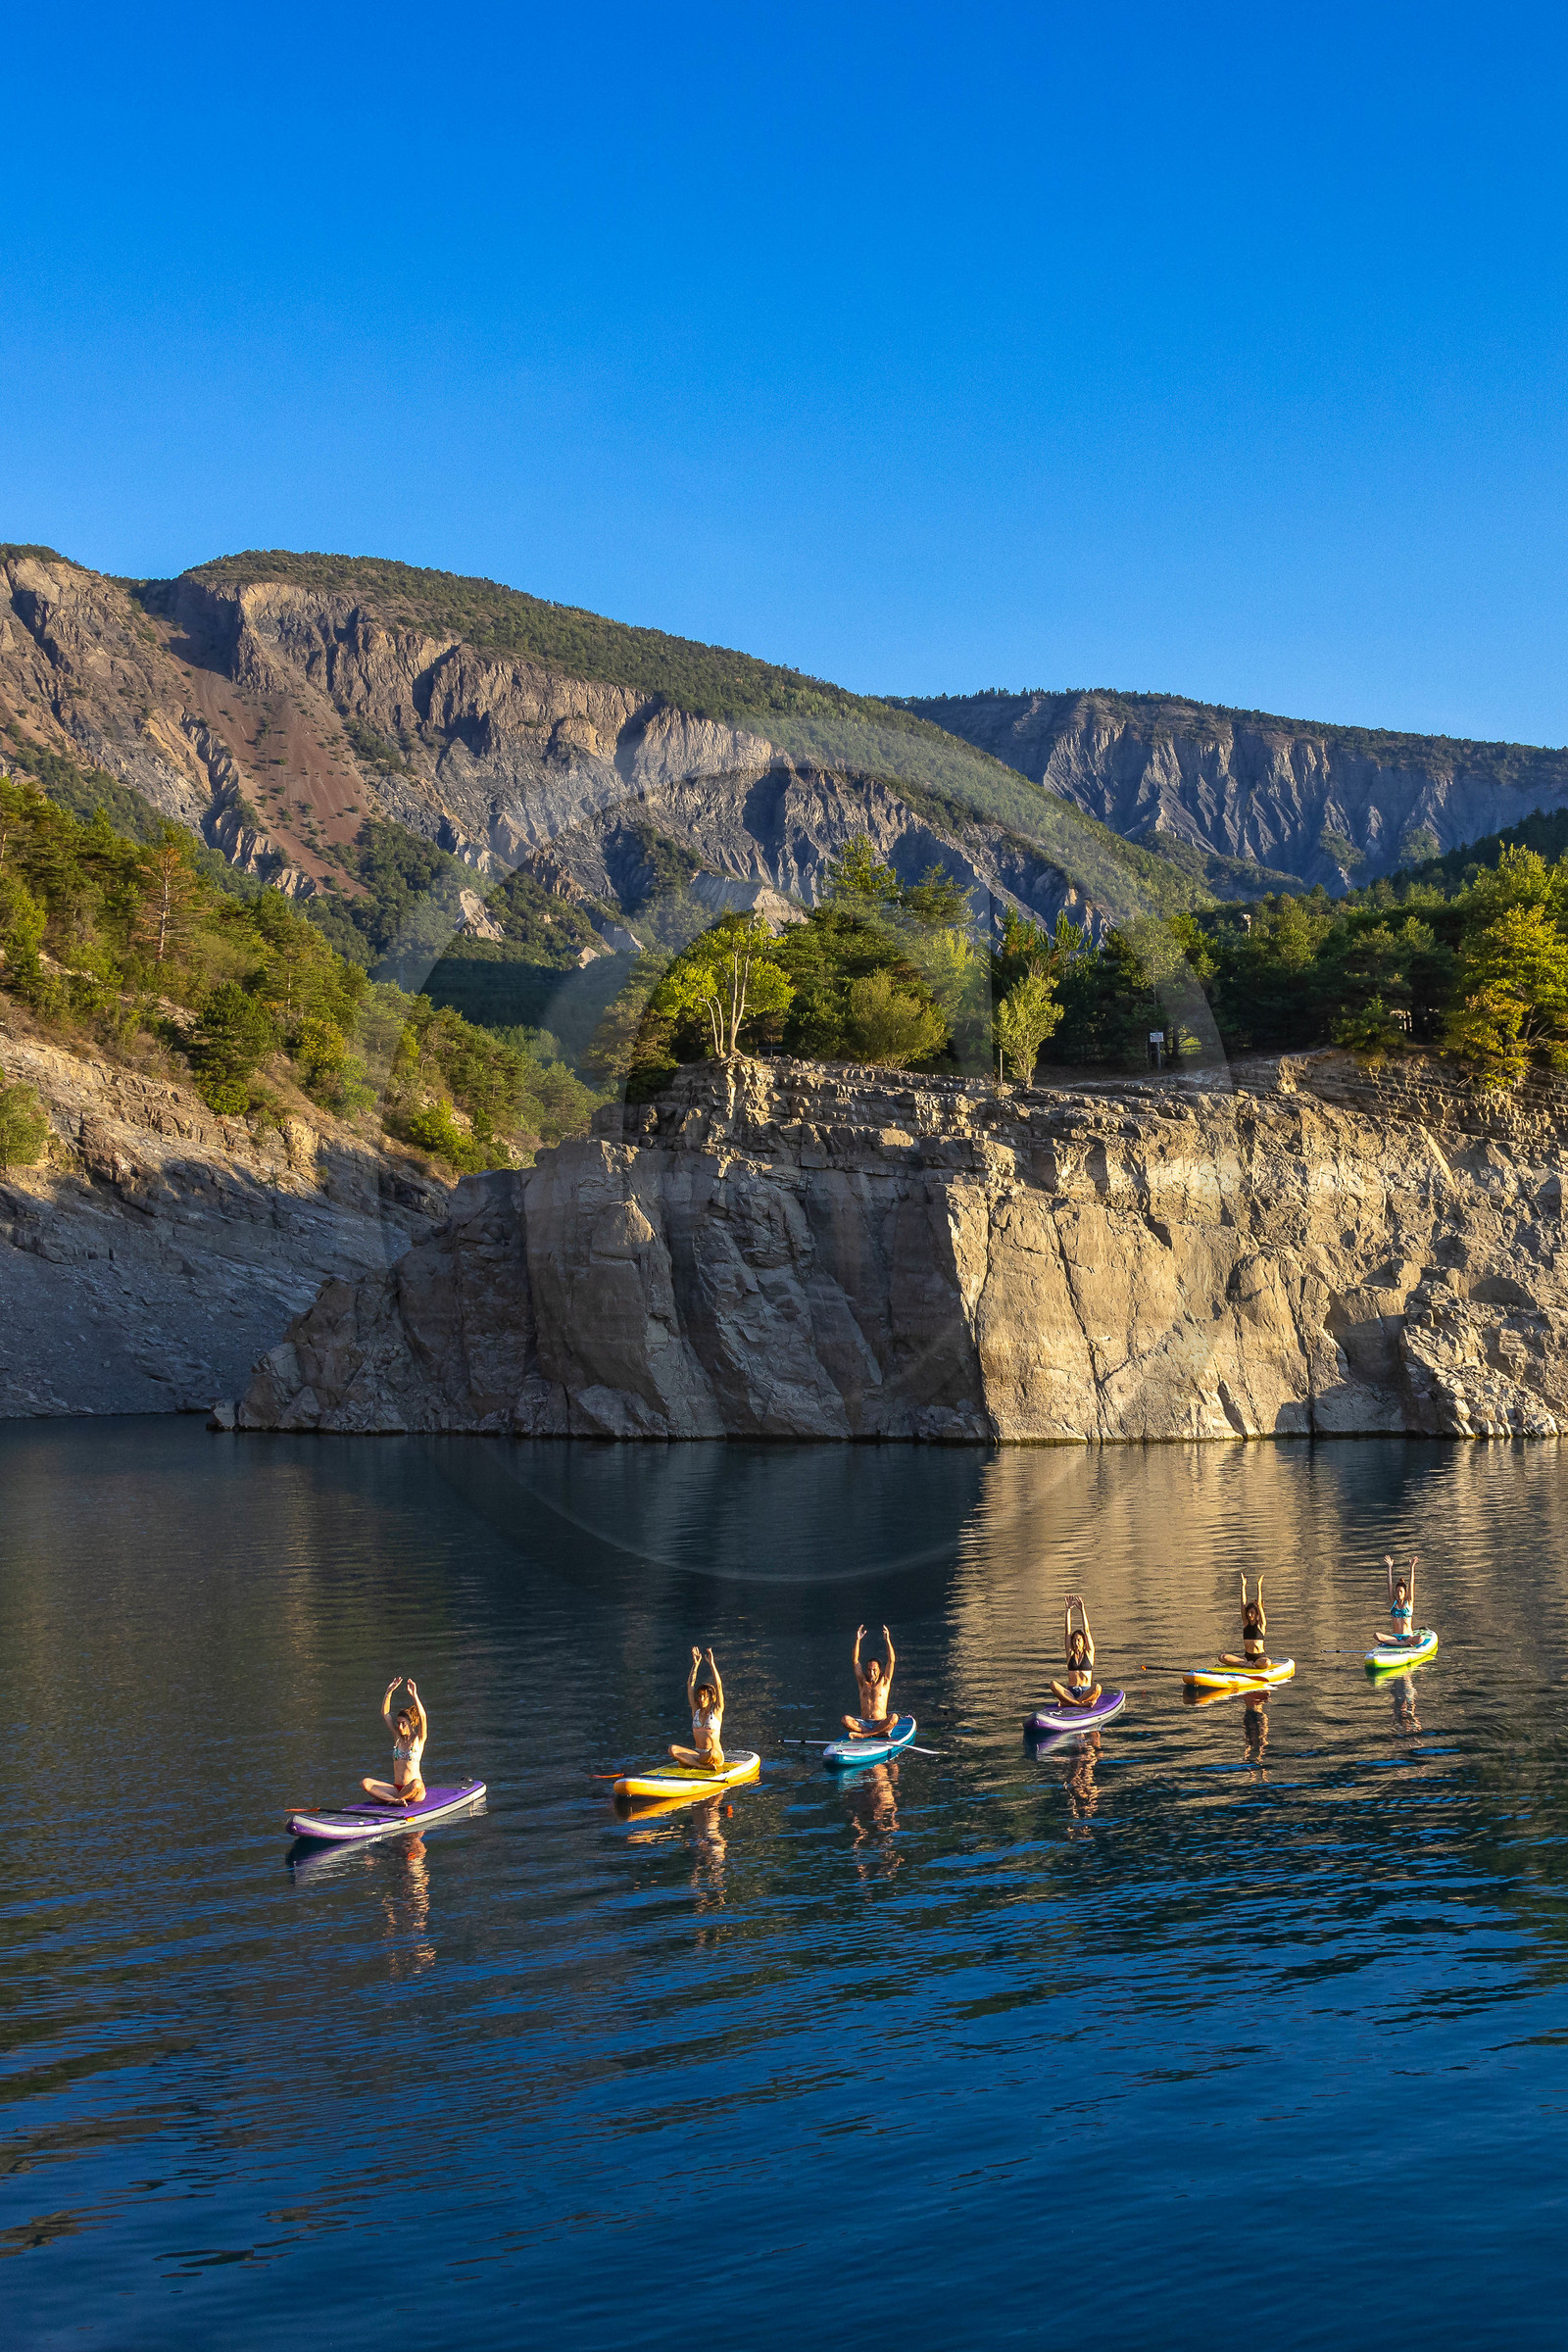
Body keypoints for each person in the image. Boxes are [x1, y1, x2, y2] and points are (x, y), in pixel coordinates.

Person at [362, 1676, 427, 1807]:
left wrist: (414, 1695)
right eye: (398, 1723)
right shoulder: (397, 1738)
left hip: (415, 1792)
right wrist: (389, 1691)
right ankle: (395, 1800)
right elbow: (385, 1713)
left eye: (403, 1724)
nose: (399, 1727)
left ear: (411, 1724)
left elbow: (423, 1717)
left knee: (416, 1783)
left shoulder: (419, 1739)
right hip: (397, 1788)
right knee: (365, 1782)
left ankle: (386, 1799)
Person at [669, 1646, 725, 1769]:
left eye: (705, 1697)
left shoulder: (716, 1711)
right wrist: (695, 1665)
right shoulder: (696, 1711)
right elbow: (690, 1686)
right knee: (672, 1749)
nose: (701, 1699)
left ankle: (690, 1763)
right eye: (700, 1696)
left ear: (711, 1698)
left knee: (712, 1752)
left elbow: (719, 1686)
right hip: (698, 1755)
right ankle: (702, 1766)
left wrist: (712, 1664)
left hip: (715, 1756)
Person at [843, 1623, 898, 1736]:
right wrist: (858, 1640)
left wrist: (887, 1640)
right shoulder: (862, 1681)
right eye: (869, 1670)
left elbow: (891, 1661)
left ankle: (865, 1734)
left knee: (894, 1717)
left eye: (874, 1670)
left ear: (880, 1670)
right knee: (845, 1719)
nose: (871, 1672)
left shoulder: (885, 1680)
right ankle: (874, 1733)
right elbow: (855, 1661)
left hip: (881, 1722)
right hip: (864, 1724)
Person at [1049, 1594, 1102, 1710]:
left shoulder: (1089, 1653)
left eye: (1079, 1640)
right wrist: (1068, 1610)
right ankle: (1078, 1704)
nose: (1076, 1642)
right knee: (1053, 1684)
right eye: (1074, 1640)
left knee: (1097, 1688)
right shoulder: (1070, 1654)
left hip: (1086, 1692)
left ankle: (1070, 1703)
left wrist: (1082, 1610)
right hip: (1071, 1692)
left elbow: (1086, 1631)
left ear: (1083, 1642)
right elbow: (1067, 1631)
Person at [1220, 1575, 1269, 1669]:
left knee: (1267, 1662)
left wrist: (1259, 1586)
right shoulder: (1246, 1624)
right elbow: (1242, 1605)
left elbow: (1259, 1605)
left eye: (1252, 1613)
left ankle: (1254, 1665)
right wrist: (1243, 1586)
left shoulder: (1261, 1626)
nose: (1249, 1615)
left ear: (1257, 1613)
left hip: (1259, 1658)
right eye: (1248, 1613)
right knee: (1222, 1657)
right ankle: (1246, 1664)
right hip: (1246, 1658)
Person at [1386, 1553, 1420, 1643]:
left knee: (1421, 1639)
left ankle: (1402, 1643)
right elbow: (1389, 1586)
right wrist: (1389, 1568)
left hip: (1408, 1637)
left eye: (1401, 1591)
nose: (1398, 1593)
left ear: (1405, 1593)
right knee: (1376, 1635)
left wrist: (1412, 1568)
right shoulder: (1394, 1603)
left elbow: (1411, 1585)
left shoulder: (1409, 1603)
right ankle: (1401, 1644)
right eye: (1397, 1591)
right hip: (1396, 1637)